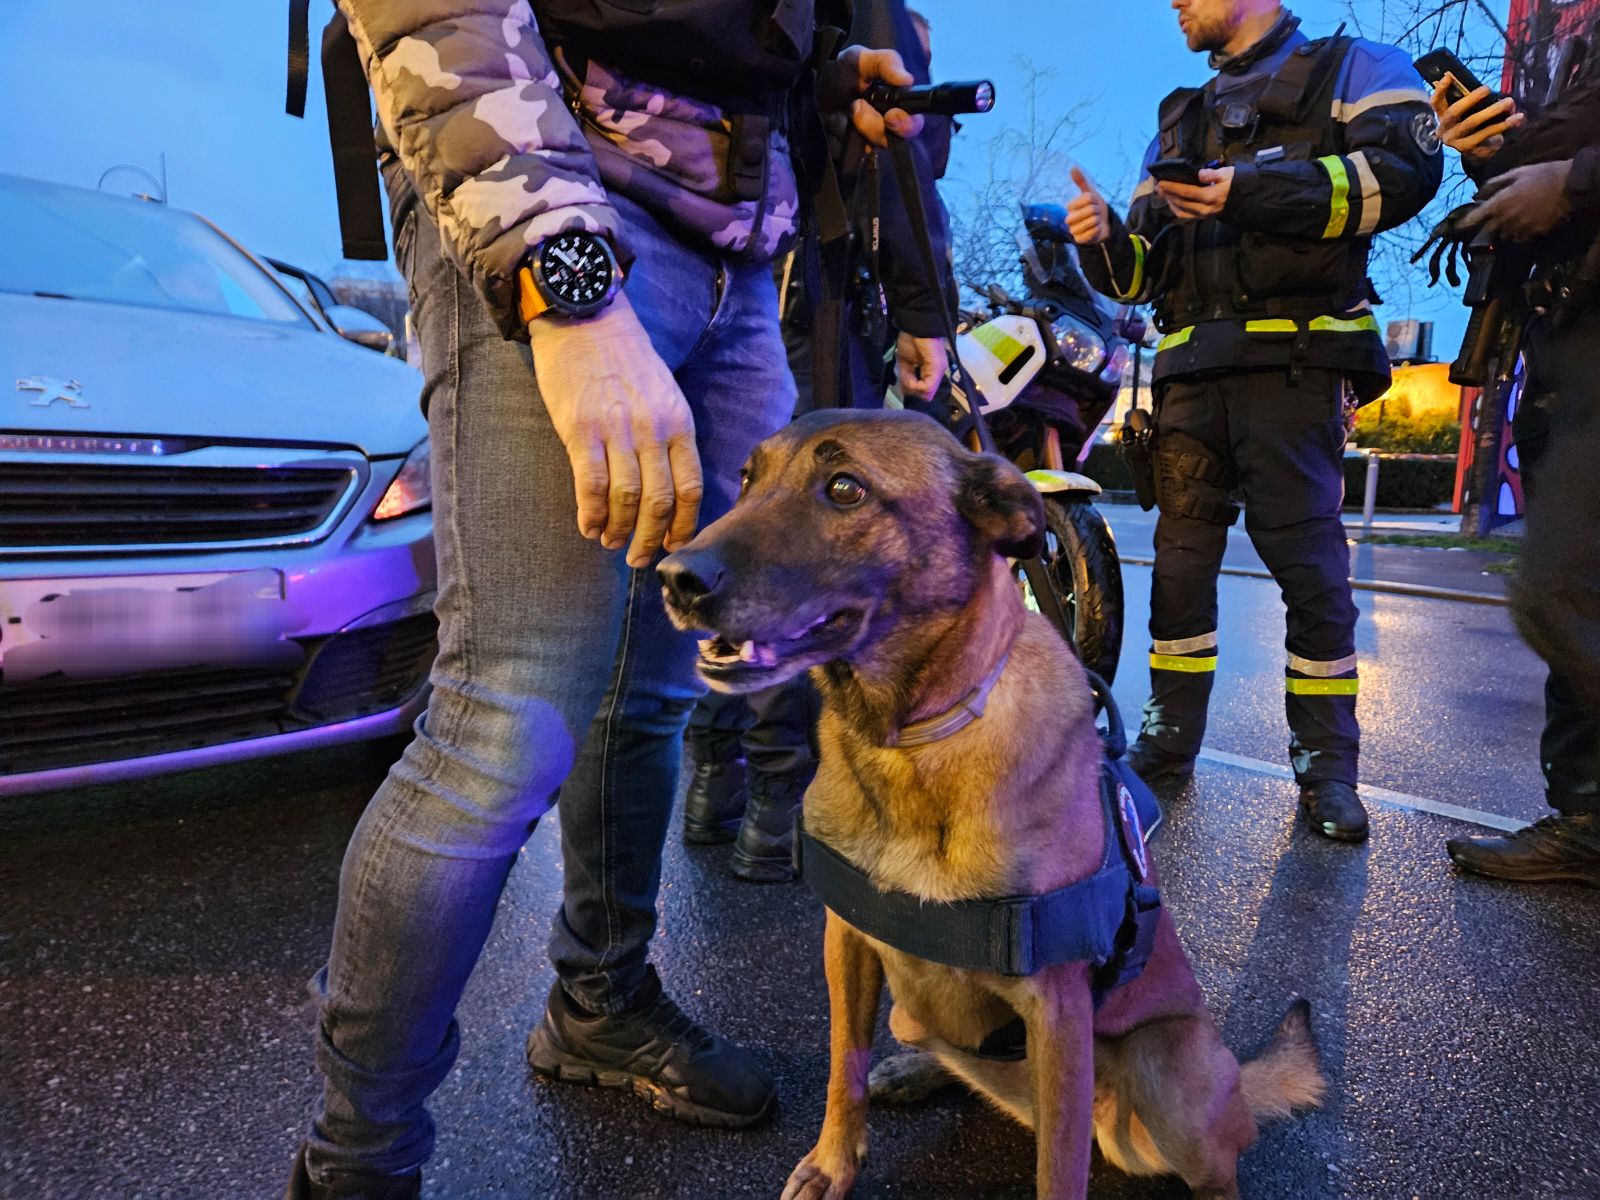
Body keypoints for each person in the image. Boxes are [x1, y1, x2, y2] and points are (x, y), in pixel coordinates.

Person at [282, 2, 924, 1196]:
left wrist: (830, 78)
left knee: (654, 694)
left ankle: (599, 1003)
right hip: (563, 192)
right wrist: (560, 285)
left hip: (736, 258)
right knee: (505, 720)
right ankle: (355, 1162)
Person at [1068, 0, 1443, 842]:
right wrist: (1097, 242)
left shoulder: (1357, 69)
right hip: (1192, 379)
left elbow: (1407, 174)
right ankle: (1167, 747)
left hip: (1297, 368)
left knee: (1312, 578)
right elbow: (1138, 277)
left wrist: (1252, 191)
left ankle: (1326, 770)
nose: (1174, 3)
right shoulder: (1180, 118)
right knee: (1179, 576)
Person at [682, 0, 954, 883]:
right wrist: (923, 312)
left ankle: (711, 786)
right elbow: (900, 166)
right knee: (800, 561)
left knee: (722, 538)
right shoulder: (879, 12)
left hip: (701, 272)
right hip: (813, 304)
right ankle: (776, 806)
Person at [1433, 59, 1600, 886]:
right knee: (1579, 592)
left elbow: (1571, 171)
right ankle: (1587, 821)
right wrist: (1492, 156)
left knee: (1559, 591)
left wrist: (1572, 179)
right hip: (1564, 337)